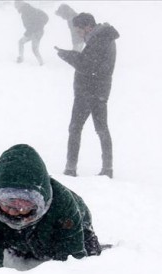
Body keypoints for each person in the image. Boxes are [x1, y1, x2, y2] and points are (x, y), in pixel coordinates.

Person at [0, 144, 103, 268]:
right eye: (7, 203)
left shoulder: (63, 204)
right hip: (20, 238)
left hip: (68, 229)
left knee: (89, 255)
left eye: (22, 204)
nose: (13, 212)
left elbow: (72, 264)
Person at [55, 13, 119, 178]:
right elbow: (90, 63)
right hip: (100, 90)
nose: (78, 34)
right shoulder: (103, 37)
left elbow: (87, 66)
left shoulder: (99, 39)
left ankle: (70, 168)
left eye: (78, 30)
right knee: (101, 129)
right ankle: (107, 168)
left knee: (75, 128)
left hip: (88, 91)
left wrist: (67, 55)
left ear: (87, 26)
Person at [14, 0, 48, 66]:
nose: (15, 7)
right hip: (32, 32)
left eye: (16, 5)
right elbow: (30, 25)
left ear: (20, 5)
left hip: (37, 32)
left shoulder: (28, 10)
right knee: (21, 42)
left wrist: (39, 27)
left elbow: (44, 18)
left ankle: (41, 63)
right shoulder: (26, 10)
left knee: (34, 49)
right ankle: (21, 58)